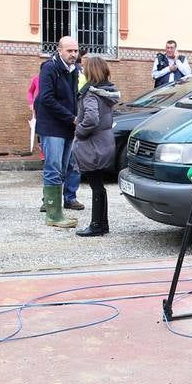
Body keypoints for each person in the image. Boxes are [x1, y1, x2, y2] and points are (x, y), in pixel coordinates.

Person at [35, 36, 84, 227]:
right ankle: (53, 216)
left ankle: (53, 207)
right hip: (52, 126)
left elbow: (73, 97)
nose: (73, 54)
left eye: (75, 51)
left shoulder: (73, 70)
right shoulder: (49, 68)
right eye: (69, 51)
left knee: (63, 169)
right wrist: (71, 117)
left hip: (66, 127)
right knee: (53, 168)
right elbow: (46, 98)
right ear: (59, 50)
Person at [71, 55, 122, 238]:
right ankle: (102, 224)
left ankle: (96, 225)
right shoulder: (106, 92)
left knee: (96, 186)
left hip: (92, 145)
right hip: (104, 142)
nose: (82, 71)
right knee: (99, 186)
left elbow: (91, 118)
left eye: (85, 68)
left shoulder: (91, 93)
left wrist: (79, 131)